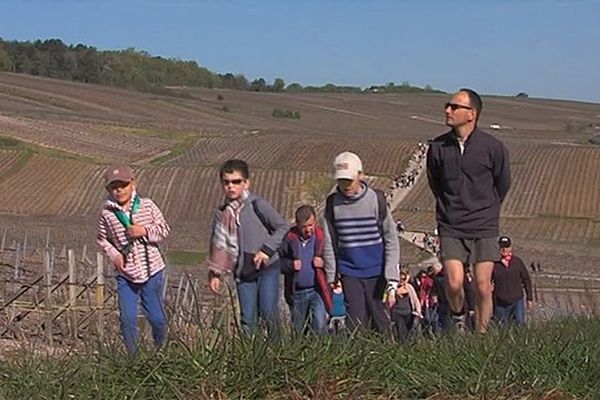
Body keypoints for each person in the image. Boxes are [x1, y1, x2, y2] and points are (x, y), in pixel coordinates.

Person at [426, 88, 511, 333]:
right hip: (451, 225)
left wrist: (487, 208)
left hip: (484, 225)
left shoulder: (493, 147)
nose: (447, 110)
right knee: (453, 283)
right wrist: (448, 209)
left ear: (471, 114)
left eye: (454, 107)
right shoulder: (438, 147)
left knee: (483, 285)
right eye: (448, 105)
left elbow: (502, 183)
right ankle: (459, 319)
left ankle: (482, 337)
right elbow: (436, 184)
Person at [207, 159, 289, 336]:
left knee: (268, 314)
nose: (231, 186)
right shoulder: (221, 213)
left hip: (266, 268)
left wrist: (266, 250)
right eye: (226, 182)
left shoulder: (257, 205)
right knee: (248, 320)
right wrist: (215, 274)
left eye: (236, 182)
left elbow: (282, 227)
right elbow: (217, 244)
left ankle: (279, 355)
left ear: (246, 183)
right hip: (243, 272)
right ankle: (251, 359)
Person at [323, 151, 400, 334]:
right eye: (341, 180)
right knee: (355, 324)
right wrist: (331, 274)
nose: (345, 185)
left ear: (360, 175)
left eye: (349, 180)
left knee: (380, 321)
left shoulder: (376, 200)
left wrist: (391, 276)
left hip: (377, 272)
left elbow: (390, 238)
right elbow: (330, 240)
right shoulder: (333, 204)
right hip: (350, 272)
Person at [96, 164, 170, 354]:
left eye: (123, 185)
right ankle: (133, 359)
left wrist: (143, 231)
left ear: (132, 183)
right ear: (108, 190)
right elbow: (103, 240)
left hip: (152, 270)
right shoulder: (108, 214)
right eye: (114, 187)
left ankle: (161, 350)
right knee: (127, 319)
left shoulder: (147, 206)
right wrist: (115, 255)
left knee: (157, 318)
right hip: (126, 274)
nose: (119, 190)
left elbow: (163, 230)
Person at [279, 205, 332, 334]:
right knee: (299, 330)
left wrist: (323, 263)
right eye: (304, 226)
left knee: (319, 325)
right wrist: (291, 265)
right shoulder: (289, 239)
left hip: (317, 291)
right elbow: (278, 263)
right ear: (297, 225)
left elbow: (333, 259)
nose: (308, 230)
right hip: (297, 293)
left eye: (310, 225)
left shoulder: (321, 238)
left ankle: (321, 352)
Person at [492, 236, 533, 326]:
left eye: (506, 247)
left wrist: (529, 298)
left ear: (510, 248)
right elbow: (488, 282)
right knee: (502, 326)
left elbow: (526, 279)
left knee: (520, 323)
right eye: (502, 247)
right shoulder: (494, 264)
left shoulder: (517, 262)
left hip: (517, 300)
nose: (504, 249)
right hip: (500, 303)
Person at [391, 268, 422, 341]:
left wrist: (418, 311)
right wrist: (395, 293)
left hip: (409, 313)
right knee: (402, 334)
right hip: (398, 313)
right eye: (400, 278)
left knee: (411, 334)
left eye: (403, 278)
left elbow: (415, 299)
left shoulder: (409, 287)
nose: (402, 280)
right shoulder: (393, 289)